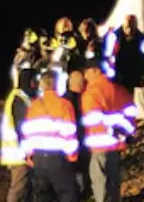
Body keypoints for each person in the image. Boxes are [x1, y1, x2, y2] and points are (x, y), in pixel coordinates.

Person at [82, 59, 136, 202]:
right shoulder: (119, 89)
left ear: (95, 71)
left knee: (101, 185)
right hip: (116, 144)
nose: (85, 76)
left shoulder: (91, 93)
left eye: (86, 72)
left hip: (99, 145)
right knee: (113, 184)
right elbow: (131, 112)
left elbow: (92, 120)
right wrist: (126, 133)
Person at [21, 72, 80, 202]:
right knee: (67, 195)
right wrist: (72, 157)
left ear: (42, 85)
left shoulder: (34, 106)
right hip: (58, 158)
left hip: (39, 159)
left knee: (43, 197)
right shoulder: (64, 105)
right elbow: (69, 132)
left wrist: (29, 155)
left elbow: (27, 132)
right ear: (58, 84)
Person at [0, 68, 38, 202]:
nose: (36, 85)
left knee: (23, 189)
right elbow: (22, 127)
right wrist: (28, 152)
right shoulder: (19, 98)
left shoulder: (20, 97)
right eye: (35, 81)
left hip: (19, 153)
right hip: (18, 154)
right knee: (18, 189)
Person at [103, 14, 144, 95]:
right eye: (127, 27)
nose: (129, 30)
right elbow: (106, 55)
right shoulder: (113, 37)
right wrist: (109, 70)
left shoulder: (141, 39)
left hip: (131, 75)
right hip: (116, 76)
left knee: (128, 100)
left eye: (132, 28)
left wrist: (142, 71)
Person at [63, 70, 90, 199]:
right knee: (80, 176)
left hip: (65, 147)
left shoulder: (62, 100)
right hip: (80, 144)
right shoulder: (84, 99)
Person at [49, 17, 79, 95]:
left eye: (66, 34)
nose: (63, 38)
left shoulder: (76, 48)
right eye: (60, 34)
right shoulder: (54, 49)